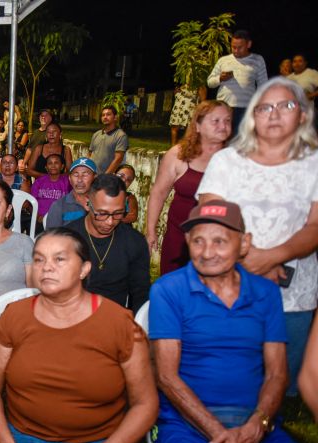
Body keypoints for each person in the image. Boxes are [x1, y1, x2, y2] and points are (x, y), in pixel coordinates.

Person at [150, 200, 318, 443]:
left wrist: (256, 428)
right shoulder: (169, 290)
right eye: (198, 240)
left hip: (256, 426)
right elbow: (167, 377)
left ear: (244, 244)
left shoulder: (265, 293)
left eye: (220, 241)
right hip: (188, 426)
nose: (207, 251)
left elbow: (277, 373)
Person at [0, 226, 157, 443]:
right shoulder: (15, 316)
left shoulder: (119, 323)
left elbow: (145, 404)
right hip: (25, 436)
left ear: (85, 269)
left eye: (59, 259)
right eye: (38, 259)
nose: (46, 267)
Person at [197, 77, 318, 396]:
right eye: (264, 107)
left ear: (303, 115)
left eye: (286, 105)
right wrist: (249, 259)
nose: (274, 114)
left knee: (278, 382)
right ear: (253, 116)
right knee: (227, 375)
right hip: (232, 276)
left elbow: (315, 226)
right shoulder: (227, 161)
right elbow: (209, 210)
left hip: (292, 287)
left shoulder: (314, 164)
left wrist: (271, 258)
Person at [147, 100, 233, 275]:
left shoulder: (236, 159)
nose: (223, 126)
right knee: (175, 290)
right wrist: (150, 231)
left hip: (219, 241)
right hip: (178, 239)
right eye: (215, 121)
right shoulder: (179, 155)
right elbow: (158, 193)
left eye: (228, 121)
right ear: (198, 125)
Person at [66, 174, 149, 314]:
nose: (110, 222)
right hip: (72, 318)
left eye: (118, 213)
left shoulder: (135, 242)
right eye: (102, 213)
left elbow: (141, 295)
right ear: (87, 203)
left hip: (115, 322)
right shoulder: (66, 239)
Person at [207, 30, 268, 133]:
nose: (235, 50)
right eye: (233, 47)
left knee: (242, 140)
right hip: (224, 107)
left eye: (239, 47)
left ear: (249, 44)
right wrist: (220, 78)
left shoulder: (258, 60)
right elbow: (209, 82)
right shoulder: (223, 60)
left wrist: (260, 106)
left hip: (246, 108)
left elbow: (263, 86)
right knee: (222, 138)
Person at [45, 157, 96, 229]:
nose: (79, 180)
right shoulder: (59, 206)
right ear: (70, 179)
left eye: (85, 174)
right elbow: (51, 237)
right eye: (75, 174)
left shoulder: (102, 202)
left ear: (94, 177)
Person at [88, 105, 128, 174]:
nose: (105, 117)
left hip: (106, 177)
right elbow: (90, 154)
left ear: (115, 117)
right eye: (103, 115)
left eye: (108, 114)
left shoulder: (120, 135)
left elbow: (118, 159)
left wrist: (105, 176)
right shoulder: (96, 134)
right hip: (92, 175)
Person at [31, 154, 71, 220]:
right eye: (50, 163)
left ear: (62, 166)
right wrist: (37, 216)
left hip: (61, 220)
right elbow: (31, 202)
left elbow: (71, 203)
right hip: (40, 219)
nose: (53, 165)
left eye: (56, 163)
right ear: (46, 167)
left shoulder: (68, 182)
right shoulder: (39, 181)